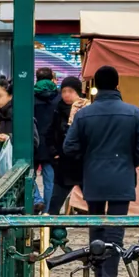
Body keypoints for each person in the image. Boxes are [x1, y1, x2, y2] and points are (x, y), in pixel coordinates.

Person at [62, 68, 139, 277]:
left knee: (97, 228)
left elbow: (69, 147)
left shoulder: (84, 114)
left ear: (96, 86)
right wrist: (129, 162)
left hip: (93, 176)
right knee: (115, 231)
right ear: (118, 84)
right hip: (122, 177)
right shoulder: (133, 113)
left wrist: (88, 160)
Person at [43, 76, 86, 218]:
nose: (67, 94)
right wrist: (54, 153)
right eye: (64, 91)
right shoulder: (58, 109)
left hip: (83, 163)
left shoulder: (87, 108)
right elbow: (50, 133)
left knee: (94, 203)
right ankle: (53, 235)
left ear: (78, 92)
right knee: (55, 203)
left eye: (71, 91)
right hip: (64, 164)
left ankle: (99, 235)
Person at [31, 68, 61, 210]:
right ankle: (48, 213)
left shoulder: (29, 96)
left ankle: (37, 199)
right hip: (51, 144)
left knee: (28, 177)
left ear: (37, 78)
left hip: (33, 143)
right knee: (50, 181)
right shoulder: (59, 97)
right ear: (51, 78)